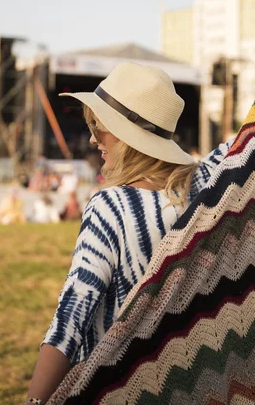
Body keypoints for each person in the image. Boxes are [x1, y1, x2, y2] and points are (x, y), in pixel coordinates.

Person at [26, 62, 231, 404]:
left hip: (123, 386)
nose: (92, 139)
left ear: (125, 134)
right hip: (195, 384)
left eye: (100, 128)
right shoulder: (208, 190)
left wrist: (35, 400)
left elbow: (73, 313)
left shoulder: (112, 206)